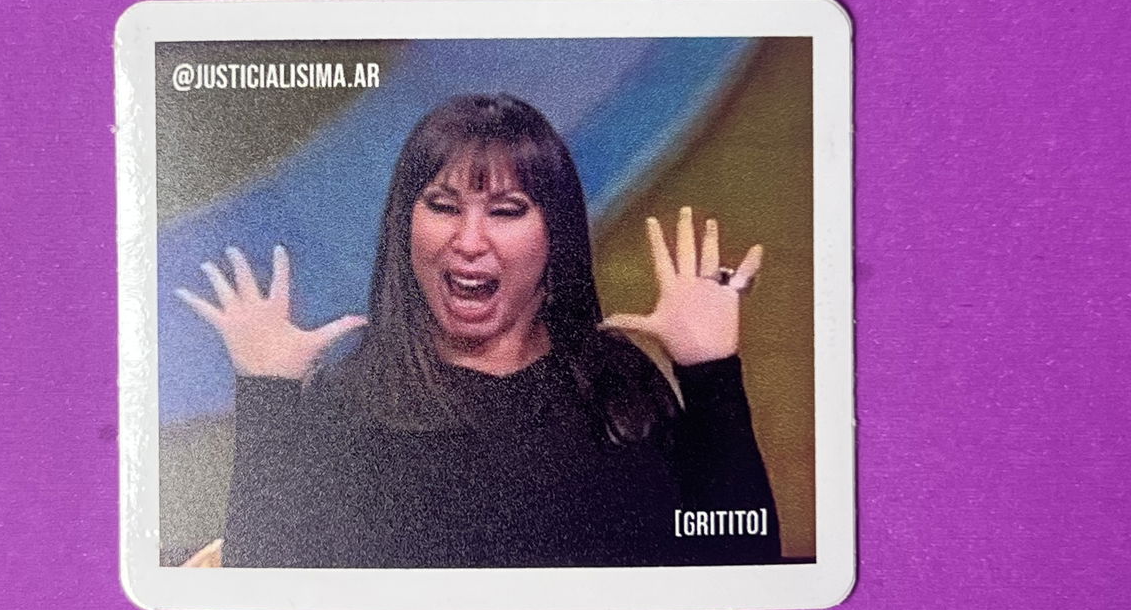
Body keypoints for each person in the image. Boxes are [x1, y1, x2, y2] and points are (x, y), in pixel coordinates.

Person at [177, 93, 782, 568]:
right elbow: (267, 599)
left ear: (555, 234)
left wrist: (710, 373)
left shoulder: (621, 386)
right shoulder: (348, 404)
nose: (469, 241)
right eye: (443, 207)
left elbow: (743, 563)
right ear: (405, 227)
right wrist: (269, 395)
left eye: (506, 211)